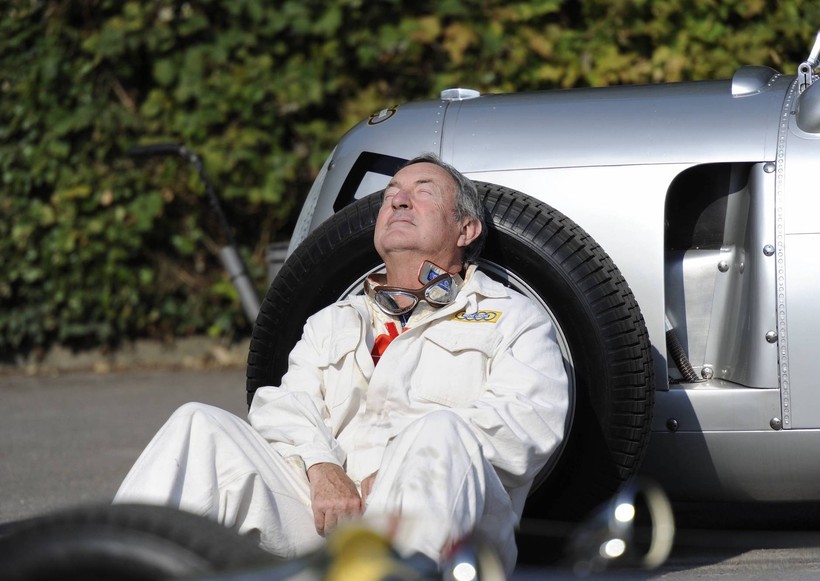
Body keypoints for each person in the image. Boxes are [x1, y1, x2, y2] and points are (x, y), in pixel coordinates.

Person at [114, 153, 568, 572]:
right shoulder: (333, 319)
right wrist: (321, 467)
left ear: (465, 230)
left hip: (441, 533)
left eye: (422, 192)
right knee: (198, 425)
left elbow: (530, 423)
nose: (399, 200)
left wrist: (398, 464)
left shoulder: (513, 316)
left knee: (441, 431)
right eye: (391, 195)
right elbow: (284, 406)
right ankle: (106, 569)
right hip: (328, 512)